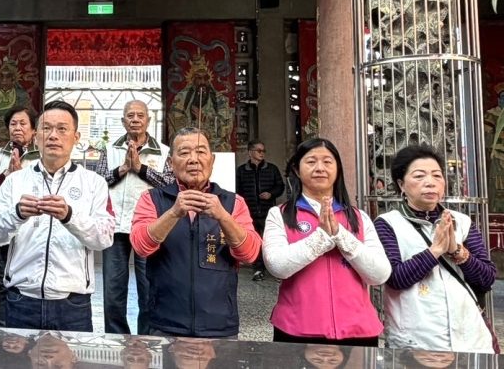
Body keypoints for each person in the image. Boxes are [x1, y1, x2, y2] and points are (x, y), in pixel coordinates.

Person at [0, 100, 115, 332]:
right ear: (36, 137)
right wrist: (16, 214)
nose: (53, 135)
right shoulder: (15, 181)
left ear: (76, 137)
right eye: (46, 128)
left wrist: (70, 216)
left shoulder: (94, 183)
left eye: (62, 129)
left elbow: (104, 239)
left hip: (73, 304)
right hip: (21, 299)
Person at [130, 126, 261, 338]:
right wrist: (174, 213)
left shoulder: (232, 202)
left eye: (201, 152)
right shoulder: (152, 199)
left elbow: (250, 253)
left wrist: (223, 217)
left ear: (212, 160)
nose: (193, 159)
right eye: (184, 153)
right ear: (171, 163)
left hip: (219, 326)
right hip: (165, 324)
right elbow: (140, 245)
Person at [262, 137, 390, 346]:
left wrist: (341, 235)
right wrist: (321, 237)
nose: (320, 168)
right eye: (311, 161)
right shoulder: (280, 214)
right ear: (296, 169)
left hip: (357, 330)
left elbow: (380, 274)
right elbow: (277, 266)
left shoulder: (359, 217)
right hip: (297, 328)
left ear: (338, 168)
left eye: (328, 162)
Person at [375, 144, 496, 353]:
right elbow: (394, 278)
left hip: (471, 338)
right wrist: (435, 251)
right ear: (401, 184)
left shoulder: (462, 221)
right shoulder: (387, 224)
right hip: (417, 339)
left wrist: (457, 251)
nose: (430, 183)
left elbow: (487, 278)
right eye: (419, 176)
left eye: (437, 176)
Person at [96, 100, 172, 335]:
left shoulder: (164, 151)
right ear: (123, 121)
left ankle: (147, 340)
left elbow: (170, 185)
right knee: (112, 291)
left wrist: (140, 168)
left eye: (140, 115)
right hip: (115, 226)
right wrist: (122, 169)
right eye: (130, 115)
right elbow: (97, 183)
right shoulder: (108, 149)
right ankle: (118, 339)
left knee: (149, 289)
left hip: (148, 228)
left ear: (149, 120)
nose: (135, 119)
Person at [0, 105, 39, 327]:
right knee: (5, 280)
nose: (17, 128)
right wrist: (7, 174)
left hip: (33, 228)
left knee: (30, 279)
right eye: (13, 124)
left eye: (23, 124)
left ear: (34, 130)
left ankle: (29, 323)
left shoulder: (41, 155)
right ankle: (4, 325)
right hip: (5, 225)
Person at [235, 140, 284, 281]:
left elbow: (280, 186)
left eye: (263, 151)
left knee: (270, 240)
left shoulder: (272, 169)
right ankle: (258, 269)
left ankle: (274, 269)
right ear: (250, 152)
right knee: (254, 241)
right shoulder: (242, 171)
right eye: (259, 150)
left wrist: (271, 194)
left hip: (268, 211)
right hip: (250, 212)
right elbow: (238, 191)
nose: (262, 153)